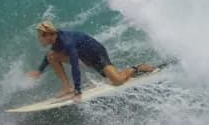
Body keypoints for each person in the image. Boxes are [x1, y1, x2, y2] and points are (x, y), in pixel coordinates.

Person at [27, 20, 155, 100]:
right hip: (84, 57)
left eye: (40, 36)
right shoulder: (55, 39)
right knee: (51, 56)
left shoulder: (67, 42)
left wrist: (78, 91)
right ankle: (67, 87)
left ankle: (138, 68)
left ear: (48, 35)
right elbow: (50, 55)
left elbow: (75, 66)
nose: (39, 39)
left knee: (117, 80)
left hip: (97, 54)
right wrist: (39, 71)